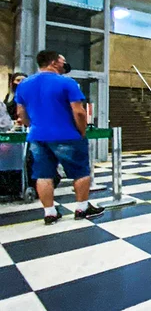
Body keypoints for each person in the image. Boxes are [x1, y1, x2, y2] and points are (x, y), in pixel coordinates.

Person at [15, 50, 104, 224]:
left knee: (43, 175)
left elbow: (21, 113)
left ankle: (49, 213)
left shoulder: (24, 85)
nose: (65, 64)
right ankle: (82, 208)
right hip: (67, 135)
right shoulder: (67, 82)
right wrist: (82, 132)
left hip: (37, 137)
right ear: (54, 63)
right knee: (81, 172)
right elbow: (78, 111)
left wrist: (33, 127)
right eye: (63, 61)